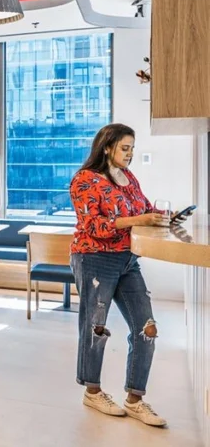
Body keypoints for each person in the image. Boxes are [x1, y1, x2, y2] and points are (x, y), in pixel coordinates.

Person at [68, 123, 185, 427]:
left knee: (147, 328)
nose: (130, 153)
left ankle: (135, 399)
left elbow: (143, 208)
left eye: (132, 148)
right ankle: (92, 391)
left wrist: (160, 215)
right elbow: (95, 226)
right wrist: (139, 219)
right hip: (94, 258)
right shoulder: (84, 180)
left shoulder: (128, 177)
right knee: (95, 328)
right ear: (107, 147)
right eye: (125, 148)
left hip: (127, 260)